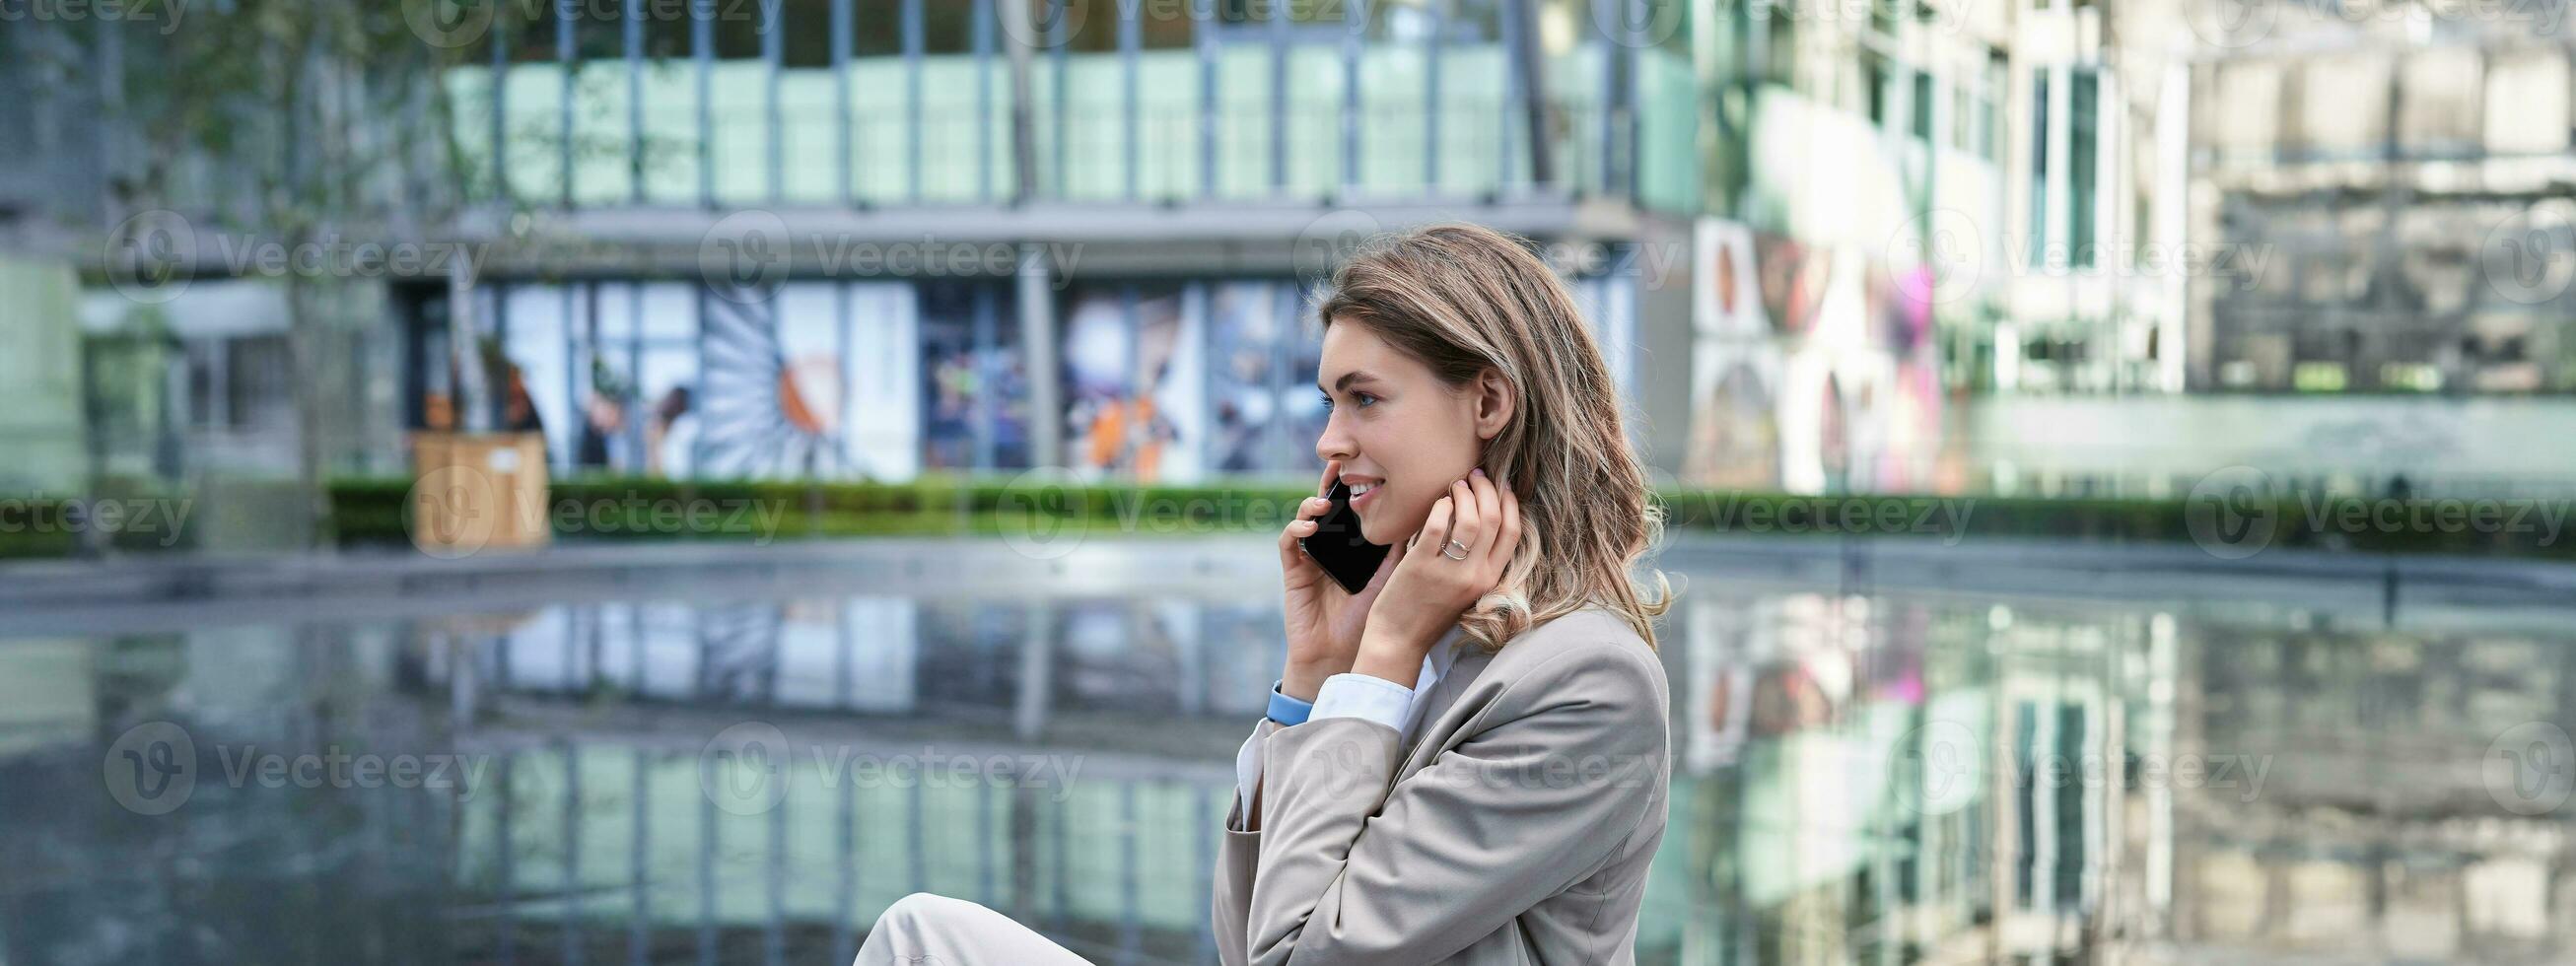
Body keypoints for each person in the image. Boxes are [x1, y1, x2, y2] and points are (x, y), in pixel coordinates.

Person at [855, 224, 1675, 965]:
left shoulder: (1585, 683)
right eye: (1329, 401)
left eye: (1365, 398)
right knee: (921, 933)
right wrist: (1313, 677)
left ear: (1489, 401)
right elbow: (1242, 938)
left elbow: (1293, 958)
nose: (1328, 440)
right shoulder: (1419, 626)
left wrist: (1380, 661)